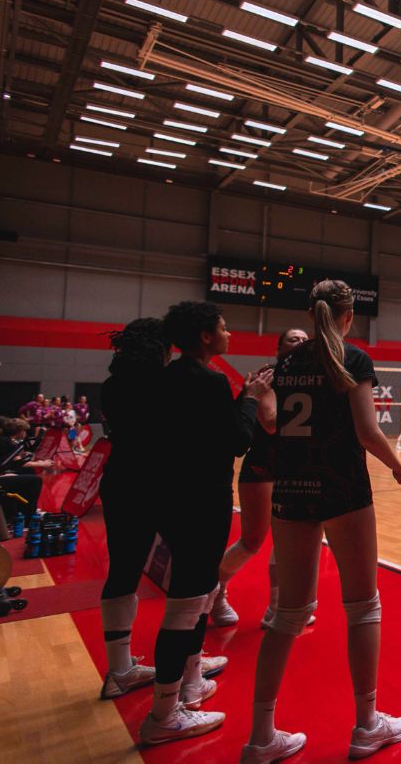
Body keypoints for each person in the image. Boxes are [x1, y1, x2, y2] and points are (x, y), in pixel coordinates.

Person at [241, 282, 401, 764]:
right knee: (363, 606)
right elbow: (366, 431)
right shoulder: (351, 359)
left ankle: (260, 737)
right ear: (349, 315)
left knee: (286, 616)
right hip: (342, 490)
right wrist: (398, 465)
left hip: (292, 490)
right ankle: (366, 726)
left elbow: (273, 422)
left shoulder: (287, 363)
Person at [138, 303, 270, 745]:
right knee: (185, 607)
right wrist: (248, 399)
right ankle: (164, 713)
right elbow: (236, 441)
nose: (230, 333)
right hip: (201, 502)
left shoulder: (163, 379)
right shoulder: (210, 381)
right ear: (206, 337)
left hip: (170, 500)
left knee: (195, 597)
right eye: (224, 327)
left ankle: (189, 684)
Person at [94, 319, 225, 710]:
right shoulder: (166, 382)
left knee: (122, 572)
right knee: (194, 578)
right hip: (162, 486)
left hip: (119, 482)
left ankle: (119, 670)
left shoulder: (114, 383)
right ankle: (190, 674)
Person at [209, 328, 310, 629]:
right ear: (279, 348)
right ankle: (215, 593)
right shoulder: (268, 376)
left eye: (305, 340)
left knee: (286, 542)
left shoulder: (311, 379)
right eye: (293, 339)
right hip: (262, 467)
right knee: (252, 541)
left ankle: (277, 609)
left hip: (294, 467)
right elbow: (268, 422)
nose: (301, 343)